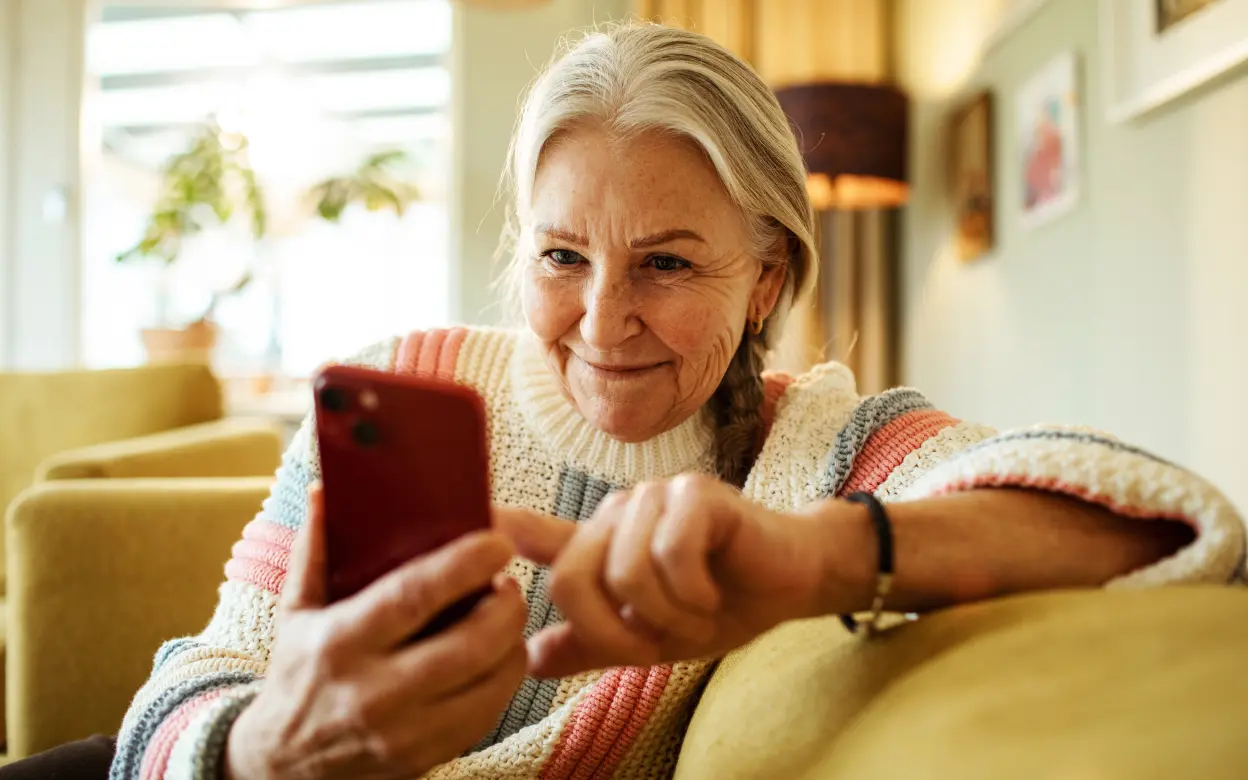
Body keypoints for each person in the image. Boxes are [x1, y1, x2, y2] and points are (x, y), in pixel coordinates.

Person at [7, 21, 1239, 780]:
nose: (601, 325)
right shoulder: (410, 383)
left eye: (665, 262)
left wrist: (809, 561)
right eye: (561, 257)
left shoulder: (827, 446)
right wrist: (273, 745)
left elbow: (1165, 518)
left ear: (767, 273)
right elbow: (183, 692)